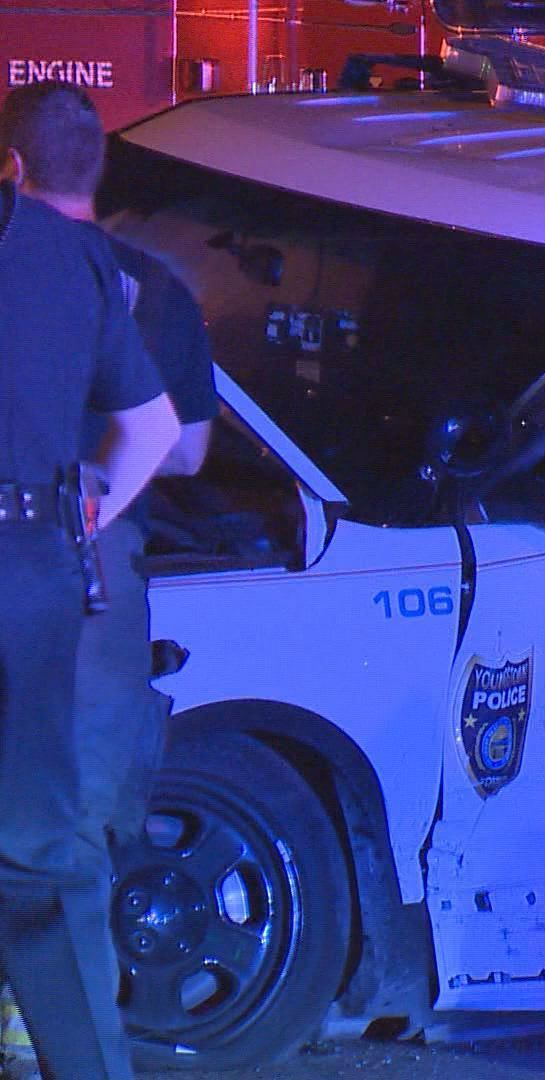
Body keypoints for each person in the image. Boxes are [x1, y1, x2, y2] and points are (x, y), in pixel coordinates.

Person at [0, 80, 215, 1079]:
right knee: (44, 858)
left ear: (11, 165)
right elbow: (169, 435)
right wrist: (87, 508)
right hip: (43, 568)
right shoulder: (102, 266)